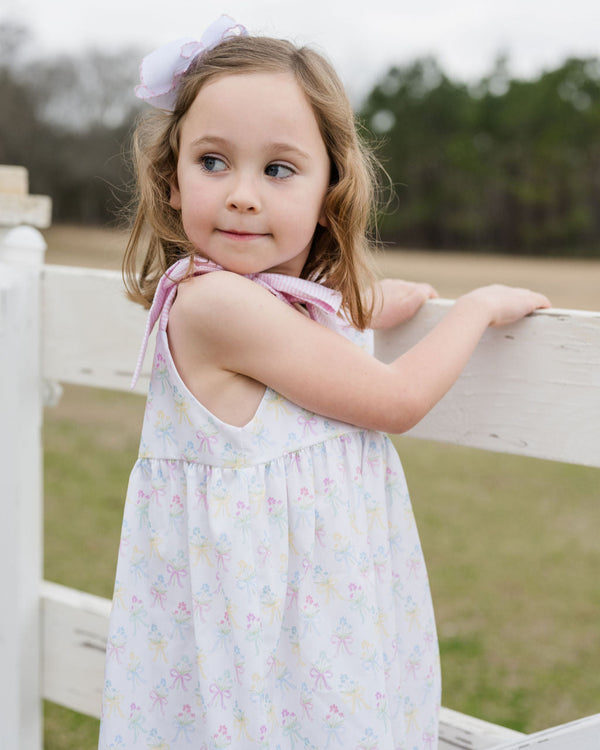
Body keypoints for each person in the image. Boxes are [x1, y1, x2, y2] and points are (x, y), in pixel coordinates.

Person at [99, 16, 550, 750]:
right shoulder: (215, 304)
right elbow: (395, 401)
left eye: (278, 170)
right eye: (214, 162)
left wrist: (360, 307)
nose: (243, 194)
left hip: (312, 620)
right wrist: (473, 311)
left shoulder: (270, 304)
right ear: (171, 182)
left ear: (327, 192)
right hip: (270, 636)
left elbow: (316, 334)